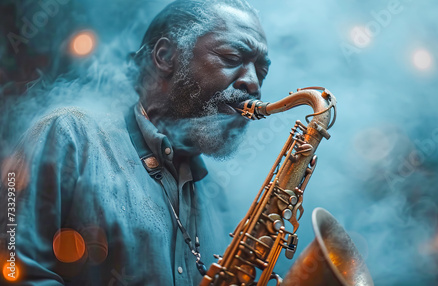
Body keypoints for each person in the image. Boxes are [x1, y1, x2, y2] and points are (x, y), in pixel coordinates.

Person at [0, 0, 270, 285]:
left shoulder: (219, 198)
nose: (253, 84)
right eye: (231, 57)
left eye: (261, 72)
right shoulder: (69, 136)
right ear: (165, 56)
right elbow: (14, 271)